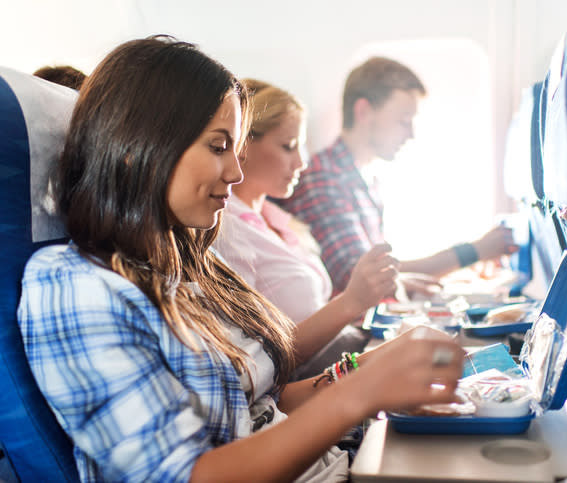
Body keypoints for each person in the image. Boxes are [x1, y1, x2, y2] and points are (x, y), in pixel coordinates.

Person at [17, 36, 463, 482]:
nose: (235, 172)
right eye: (217, 147)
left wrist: (373, 367)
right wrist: (358, 395)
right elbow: (188, 476)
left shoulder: (188, 263)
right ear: (137, 145)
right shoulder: (75, 287)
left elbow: (265, 410)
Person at [277, 56, 517, 295]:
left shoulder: (367, 183)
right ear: (363, 111)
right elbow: (364, 278)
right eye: (403, 121)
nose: (410, 133)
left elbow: (387, 271)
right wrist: (473, 252)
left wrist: (452, 276)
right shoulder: (323, 180)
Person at [214, 78, 398, 378]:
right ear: (242, 146)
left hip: (340, 355)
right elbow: (262, 361)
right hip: (309, 380)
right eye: (289, 146)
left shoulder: (276, 219)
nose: (302, 162)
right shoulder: (227, 230)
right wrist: (351, 302)